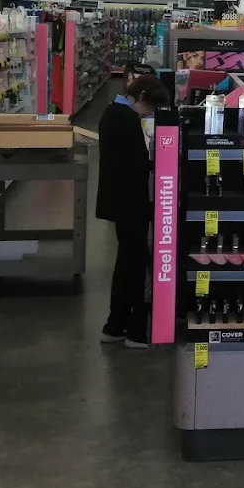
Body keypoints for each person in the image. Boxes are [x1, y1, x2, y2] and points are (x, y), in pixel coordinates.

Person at [96, 70, 170, 348]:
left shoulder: (112, 112)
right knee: (136, 266)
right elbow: (138, 163)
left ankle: (115, 325)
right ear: (140, 96)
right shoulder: (125, 118)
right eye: (150, 107)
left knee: (126, 263)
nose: (149, 113)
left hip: (119, 201)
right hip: (129, 203)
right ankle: (135, 332)